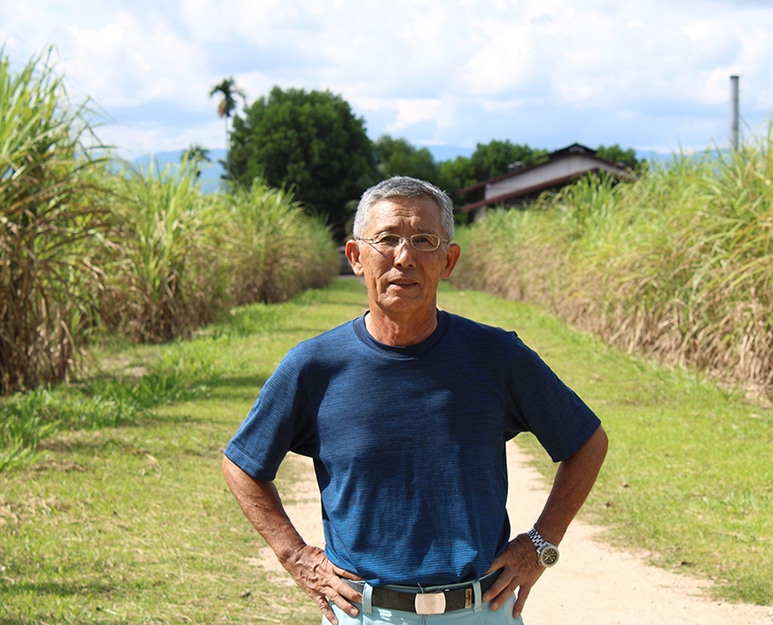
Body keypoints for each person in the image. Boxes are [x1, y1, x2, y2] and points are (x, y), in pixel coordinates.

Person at [222, 176, 608, 624]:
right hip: (364, 614)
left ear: (448, 260)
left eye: (424, 240)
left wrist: (541, 544)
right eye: (386, 239)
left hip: (480, 610)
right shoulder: (314, 366)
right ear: (355, 256)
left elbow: (586, 444)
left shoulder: (497, 357)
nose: (404, 258)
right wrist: (295, 556)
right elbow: (242, 465)